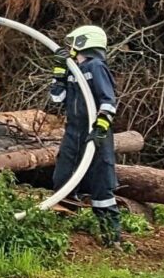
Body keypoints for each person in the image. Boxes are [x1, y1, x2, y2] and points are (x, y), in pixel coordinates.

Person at [49, 24, 120, 244]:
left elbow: (108, 102)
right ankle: (63, 233)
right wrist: (59, 72)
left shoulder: (96, 67)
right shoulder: (74, 70)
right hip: (73, 132)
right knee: (63, 178)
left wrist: (100, 129)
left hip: (95, 134)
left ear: (84, 43)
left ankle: (111, 237)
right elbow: (56, 99)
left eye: (73, 44)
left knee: (101, 184)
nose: (69, 48)